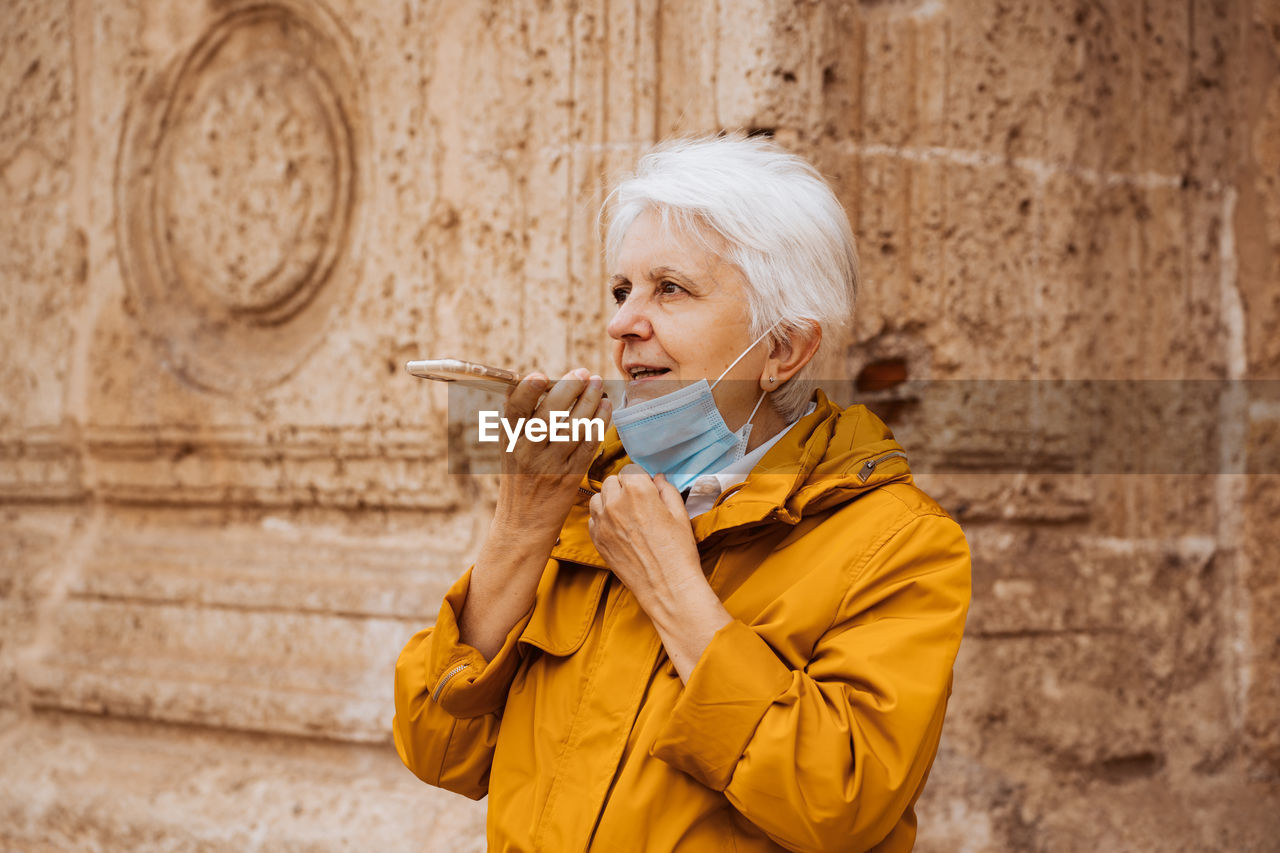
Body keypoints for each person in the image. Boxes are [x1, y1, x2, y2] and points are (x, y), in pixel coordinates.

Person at [393, 135, 971, 852]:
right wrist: (519, 524)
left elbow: (839, 802)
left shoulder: (899, 543)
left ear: (784, 348)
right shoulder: (581, 497)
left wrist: (673, 587)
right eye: (621, 289)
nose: (623, 322)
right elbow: (436, 746)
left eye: (670, 288)